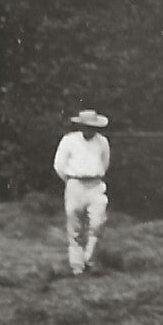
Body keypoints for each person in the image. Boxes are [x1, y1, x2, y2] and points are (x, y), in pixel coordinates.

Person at [53, 110, 111, 276]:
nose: (89, 129)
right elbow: (59, 165)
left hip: (95, 185)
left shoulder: (102, 142)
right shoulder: (69, 140)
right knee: (75, 226)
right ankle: (77, 266)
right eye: (86, 126)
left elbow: (105, 163)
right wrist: (71, 182)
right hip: (75, 185)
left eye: (93, 127)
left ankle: (89, 259)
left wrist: (94, 177)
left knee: (98, 223)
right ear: (80, 126)